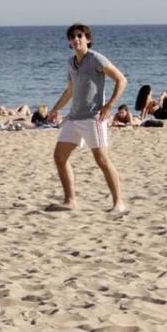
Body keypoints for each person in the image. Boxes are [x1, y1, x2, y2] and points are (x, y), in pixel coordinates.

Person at [46, 23, 128, 214]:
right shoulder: (70, 62)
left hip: (93, 118)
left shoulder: (96, 58)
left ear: (87, 39)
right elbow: (70, 90)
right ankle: (70, 201)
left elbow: (121, 80)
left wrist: (110, 105)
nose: (76, 39)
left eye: (80, 36)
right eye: (72, 37)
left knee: (102, 159)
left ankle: (119, 203)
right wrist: (55, 109)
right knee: (59, 157)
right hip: (74, 118)